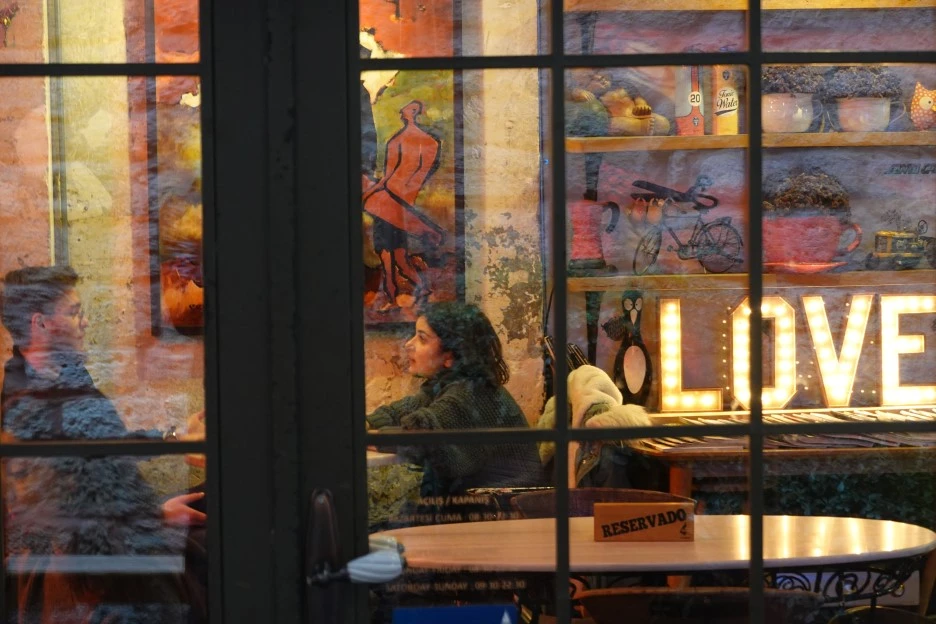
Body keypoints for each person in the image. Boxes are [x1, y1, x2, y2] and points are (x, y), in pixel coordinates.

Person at [0, 265, 206, 623]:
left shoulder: (62, 374)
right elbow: (70, 521)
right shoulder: (30, 407)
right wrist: (156, 518)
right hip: (98, 574)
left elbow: (104, 444)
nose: (85, 322)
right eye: (74, 312)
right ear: (41, 324)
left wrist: (172, 437)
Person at [366, 301, 547, 497]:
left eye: (422, 339)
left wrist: (361, 436)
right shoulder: (447, 384)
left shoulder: (469, 393)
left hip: (503, 507)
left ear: (450, 355)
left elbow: (417, 437)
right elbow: (401, 411)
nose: (408, 344)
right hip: (480, 501)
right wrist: (367, 422)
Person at [362, 100, 445, 312]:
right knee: (399, 255)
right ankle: (419, 290)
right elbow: (421, 177)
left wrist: (370, 193)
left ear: (413, 112)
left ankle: (392, 297)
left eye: (406, 108)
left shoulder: (397, 140)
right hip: (405, 201)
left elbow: (388, 177)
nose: (401, 110)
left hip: (387, 200)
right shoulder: (432, 143)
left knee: (387, 256)